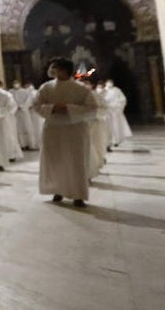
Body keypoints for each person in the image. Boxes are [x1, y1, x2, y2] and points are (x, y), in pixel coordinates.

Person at [31, 58, 99, 207]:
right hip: (53, 128)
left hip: (75, 129)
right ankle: (58, 190)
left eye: (56, 68)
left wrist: (68, 108)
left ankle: (78, 194)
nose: (52, 71)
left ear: (65, 70)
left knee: (76, 162)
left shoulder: (81, 89)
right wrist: (53, 108)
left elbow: (92, 108)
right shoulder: (46, 88)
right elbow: (36, 105)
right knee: (56, 160)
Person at [9, 80, 40, 150]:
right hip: (15, 113)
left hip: (24, 112)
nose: (15, 84)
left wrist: (22, 106)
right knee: (18, 129)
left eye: (17, 83)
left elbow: (28, 100)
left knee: (28, 127)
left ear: (20, 84)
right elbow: (10, 101)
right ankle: (22, 145)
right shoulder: (10, 92)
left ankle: (31, 144)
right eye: (14, 83)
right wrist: (15, 107)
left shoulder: (25, 91)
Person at [103, 80, 133, 147]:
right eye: (108, 82)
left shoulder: (117, 90)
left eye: (110, 82)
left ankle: (116, 140)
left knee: (116, 126)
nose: (109, 84)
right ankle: (109, 142)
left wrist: (117, 105)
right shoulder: (103, 91)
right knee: (108, 127)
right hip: (108, 112)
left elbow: (123, 99)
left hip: (115, 112)